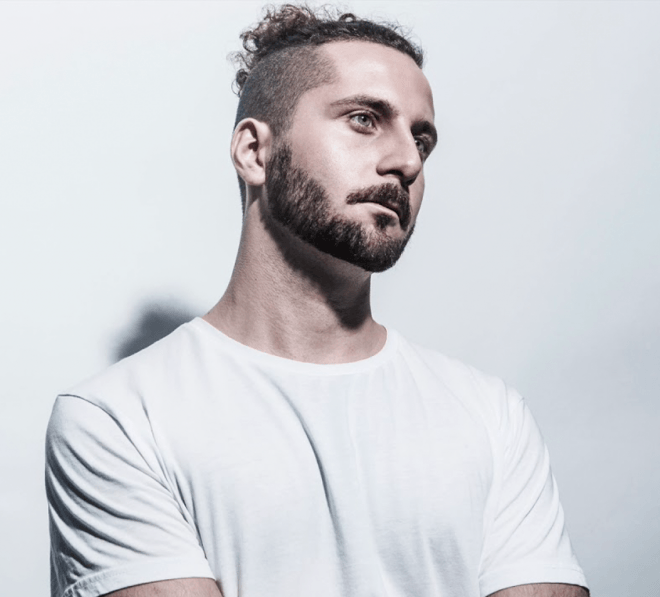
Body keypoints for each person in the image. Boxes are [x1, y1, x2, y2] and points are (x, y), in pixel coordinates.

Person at [45, 5, 589, 597]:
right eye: (364, 119)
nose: (408, 161)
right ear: (255, 152)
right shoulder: (118, 420)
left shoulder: (491, 416)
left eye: (421, 139)